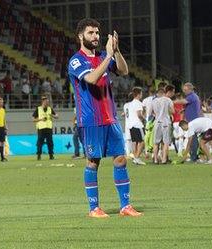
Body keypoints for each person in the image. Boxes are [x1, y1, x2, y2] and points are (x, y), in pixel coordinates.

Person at [68, 18, 141, 218]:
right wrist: (108, 56)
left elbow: (124, 71)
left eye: (98, 33)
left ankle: (125, 206)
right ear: (80, 36)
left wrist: (115, 52)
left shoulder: (103, 56)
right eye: (91, 33)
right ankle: (94, 208)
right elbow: (91, 79)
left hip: (111, 118)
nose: (96, 36)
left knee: (120, 159)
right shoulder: (76, 60)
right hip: (90, 120)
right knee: (93, 162)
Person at [174, 83, 203, 161]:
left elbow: (183, 101)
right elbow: (192, 106)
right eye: (184, 89)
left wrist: (172, 102)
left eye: (185, 90)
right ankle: (195, 156)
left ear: (190, 89)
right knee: (194, 139)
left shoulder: (191, 96)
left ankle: (194, 157)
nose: (184, 91)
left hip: (193, 120)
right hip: (194, 120)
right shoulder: (194, 96)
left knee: (192, 139)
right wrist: (184, 110)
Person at [150, 85, 174, 164]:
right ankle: (164, 159)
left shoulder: (153, 101)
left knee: (156, 142)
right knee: (166, 142)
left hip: (157, 122)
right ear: (164, 93)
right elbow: (172, 111)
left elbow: (151, 112)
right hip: (166, 122)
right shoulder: (168, 100)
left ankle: (156, 159)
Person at [124, 87, 146, 165]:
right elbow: (139, 114)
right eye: (141, 93)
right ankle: (137, 158)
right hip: (138, 124)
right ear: (139, 94)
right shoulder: (138, 103)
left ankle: (135, 157)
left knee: (134, 142)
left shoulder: (130, 104)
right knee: (142, 142)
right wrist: (144, 119)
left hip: (131, 125)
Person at [33, 96, 59, 160]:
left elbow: (57, 116)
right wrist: (41, 119)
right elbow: (33, 119)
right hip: (41, 128)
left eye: (48, 102)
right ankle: (39, 155)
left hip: (49, 128)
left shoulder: (50, 109)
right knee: (40, 143)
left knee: (50, 142)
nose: (47, 103)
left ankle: (51, 155)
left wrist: (52, 115)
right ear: (43, 102)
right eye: (46, 101)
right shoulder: (38, 109)